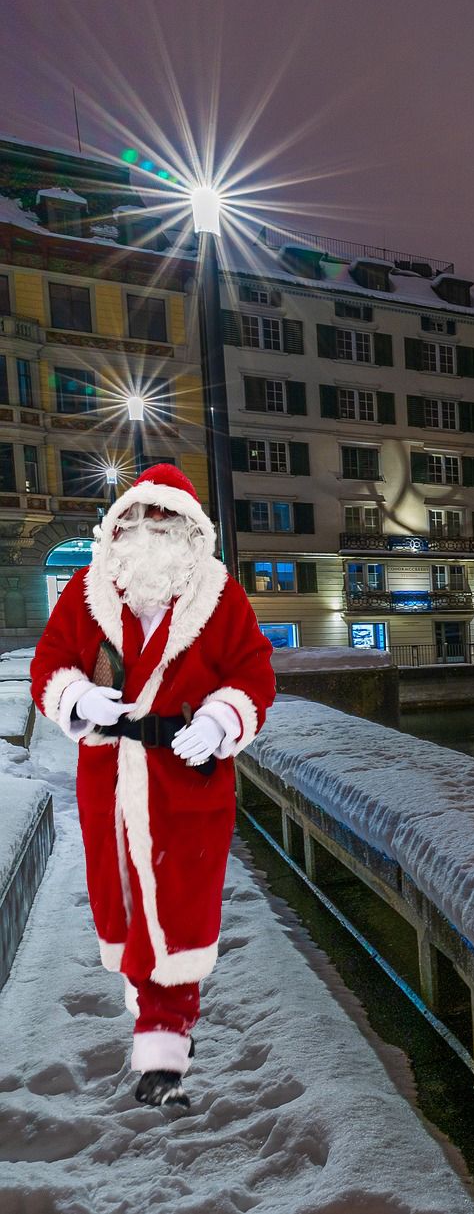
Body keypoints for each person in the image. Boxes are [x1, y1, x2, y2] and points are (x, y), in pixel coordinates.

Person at [28, 464, 276, 1109]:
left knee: (179, 913)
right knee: (126, 907)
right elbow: (49, 663)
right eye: (140, 519)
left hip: (188, 783)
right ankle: (154, 1015)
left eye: (167, 520)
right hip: (108, 781)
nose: (152, 531)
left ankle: (163, 1048)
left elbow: (254, 672)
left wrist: (223, 718)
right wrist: (78, 697)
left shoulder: (220, 597)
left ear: (193, 531)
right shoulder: (86, 592)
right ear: (120, 527)